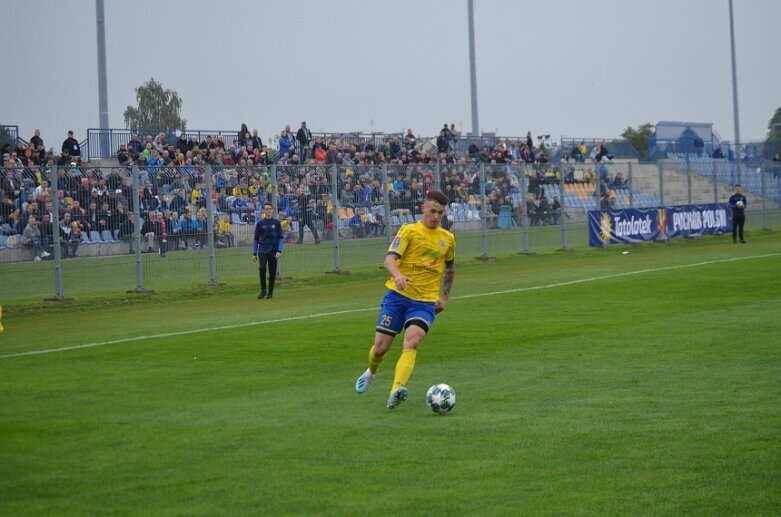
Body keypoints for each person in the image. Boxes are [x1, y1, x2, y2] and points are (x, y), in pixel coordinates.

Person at [354, 190, 456, 409]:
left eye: (440, 213)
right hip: (397, 298)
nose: (436, 216)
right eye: (433, 211)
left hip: (424, 302)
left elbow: (450, 268)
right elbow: (389, 259)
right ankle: (372, 370)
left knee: (412, 341)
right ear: (423, 208)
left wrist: (444, 296)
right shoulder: (409, 230)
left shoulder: (448, 239)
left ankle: (396, 389)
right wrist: (398, 275)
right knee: (380, 349)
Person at [252, 202, 284, 299]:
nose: (268, 210)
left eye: (270, 209)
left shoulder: (276, 223)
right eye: (266, 209)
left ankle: (270, 292)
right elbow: (256, 239)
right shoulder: (260, 223)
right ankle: (263, 290)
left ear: (272, 210)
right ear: (264, 211)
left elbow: (281, 238)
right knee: (262, 268)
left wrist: (279, 251)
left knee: (272, 271)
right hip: (262, 249)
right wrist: (254, 253)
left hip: (273, 250)